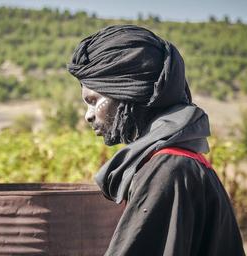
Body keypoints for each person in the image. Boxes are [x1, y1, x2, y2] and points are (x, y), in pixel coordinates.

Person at [67, 25, 245, 256]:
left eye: (93, 100)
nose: (88, 115)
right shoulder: (178, 161)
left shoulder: (166, 169)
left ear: (128, 92)